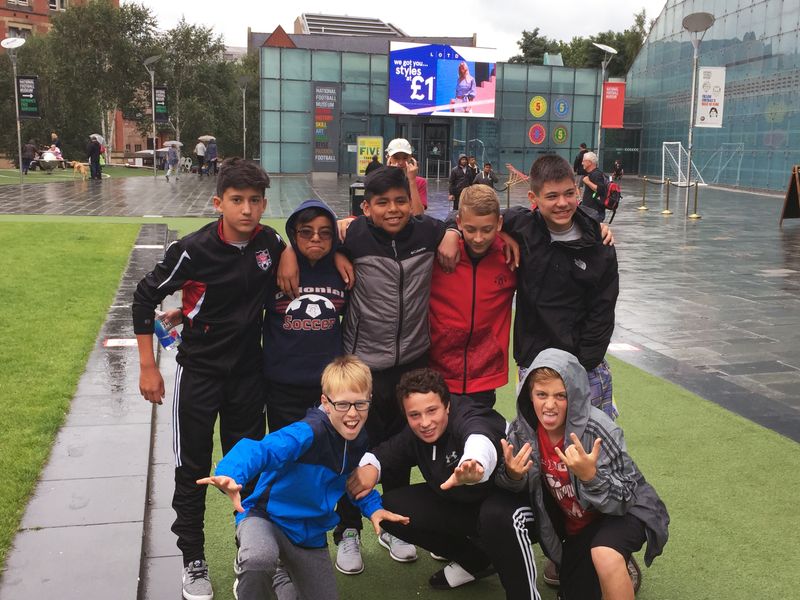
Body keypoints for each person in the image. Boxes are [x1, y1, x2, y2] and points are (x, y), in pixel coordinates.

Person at [276, 166, 460, 573]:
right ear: (366, 208)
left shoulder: (428, 232)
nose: (393, 210)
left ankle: (393, 525)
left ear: (411, 202)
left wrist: (454, 231)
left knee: (400, 449)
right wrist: (290, 250)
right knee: (350, 448)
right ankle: (347, 531)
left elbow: (460, 219)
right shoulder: (353, 235)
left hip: (411, 361)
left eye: (400, 201)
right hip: (363, 366)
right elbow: (311, 232)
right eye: (382, 203)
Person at [132, 157, 289, 600]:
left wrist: (292, 253)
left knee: (250, 469)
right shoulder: (193, 249)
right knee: (193, 469)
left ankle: (253, 551)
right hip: (198, 374)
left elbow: (314, 236)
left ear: (263, 204)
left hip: (247, 376)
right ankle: (193, 559)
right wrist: (148, 366)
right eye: (237, 200)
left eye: (255, 201)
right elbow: (143, 299)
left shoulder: (271, 244)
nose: (246, 210)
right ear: (218, 202)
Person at [199, 355, 409, 600]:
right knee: (258, 559)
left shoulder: (358, 439)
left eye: (360, 404)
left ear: (369, 401)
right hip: (267, 519)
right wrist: (229, 473)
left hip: (309, 535)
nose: (352, 414)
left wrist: (373, 508)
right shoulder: (307, 432)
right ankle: (263, 570)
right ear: (326, 402)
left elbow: (353, 480)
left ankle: (281, 574)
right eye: (342, 404)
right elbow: (259, 450)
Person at [348, 368, 542, 598]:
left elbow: (479, 435)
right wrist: (371, 467)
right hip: (470, 508)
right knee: (390, 507)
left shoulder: (468, 415)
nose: (425, 422)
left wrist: (474, 463)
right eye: (415, 415)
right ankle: (476, 562)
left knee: (495, 516)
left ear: (447, 405)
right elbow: (387, 453)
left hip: (519, 509)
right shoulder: (415, 433)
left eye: (432, 410)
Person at [497, 348, 670, 600]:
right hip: (579, 526)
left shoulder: (598, 428)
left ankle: (615, 557)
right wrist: (512, 475)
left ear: (575, 396)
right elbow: (510, 486)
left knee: (604, 553)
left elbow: (627, 496)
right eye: (541, 394)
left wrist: (591, 476)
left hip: (625, 512)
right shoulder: (522, 431)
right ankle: (606, 563)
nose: (549, 405)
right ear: (529, 395)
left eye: (561, 395)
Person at [428, 185, 516, 406]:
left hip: (485, 377)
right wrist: (346, 225)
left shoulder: (510, 257)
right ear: (458, 223)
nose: (478, 238)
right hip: (436, 371)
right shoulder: (439, 251)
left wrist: (595, 226)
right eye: (470, 229)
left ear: (499, 224)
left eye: (487, 230)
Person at [263, 199, 347, 432]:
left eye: (325, 232)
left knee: (325, 453)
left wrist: (340, 253)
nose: (316, 238)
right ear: (293, 234)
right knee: (286, 451)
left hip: (329, 386)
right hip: (282, 385)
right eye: (306, 232)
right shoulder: (276, 270)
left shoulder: (342, 271)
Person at [385, 138, 427, 210]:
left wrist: (412, 181)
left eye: (405, 158)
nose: (401, 162)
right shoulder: (380, 180)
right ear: (388, 158)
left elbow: (419, 214)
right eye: (396, 158)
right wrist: (391, 177)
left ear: (410, 158)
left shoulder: (420, 182)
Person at [581, 151, 608, 222]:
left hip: (595, 213)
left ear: (590, 162)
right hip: (590, 212)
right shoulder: (590, 174)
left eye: (583, 161)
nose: (582, 163)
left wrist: (588, 182)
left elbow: (601, 190)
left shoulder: (597, 174)